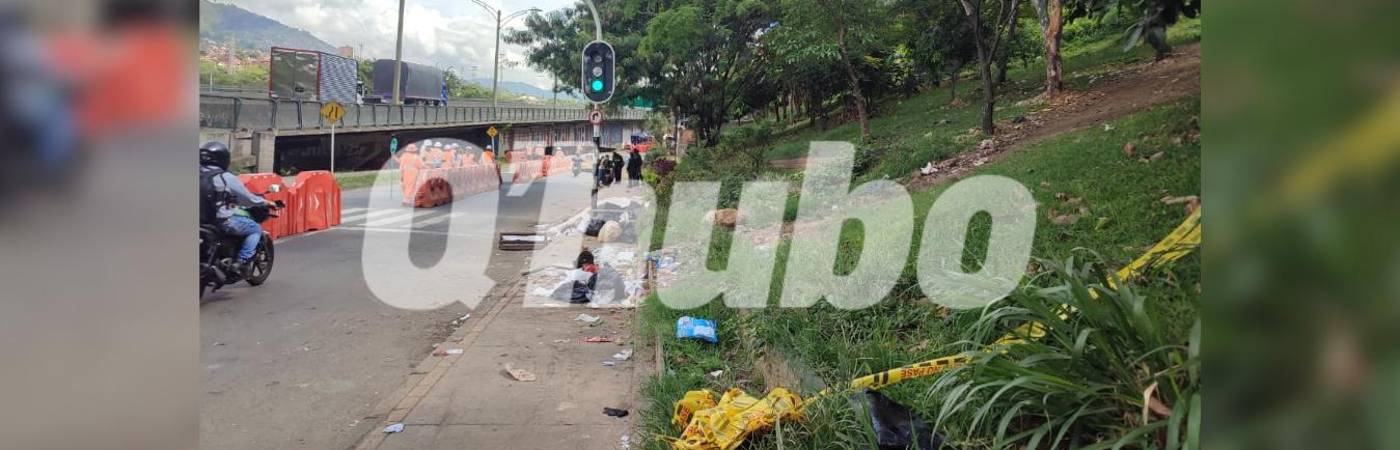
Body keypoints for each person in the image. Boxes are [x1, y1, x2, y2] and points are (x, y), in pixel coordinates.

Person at [200, 141, 274, 275]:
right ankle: (241, 262)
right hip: (221, 223)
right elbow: (248, 198)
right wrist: (265, 202)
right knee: (255, 229)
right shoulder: (225, 177)